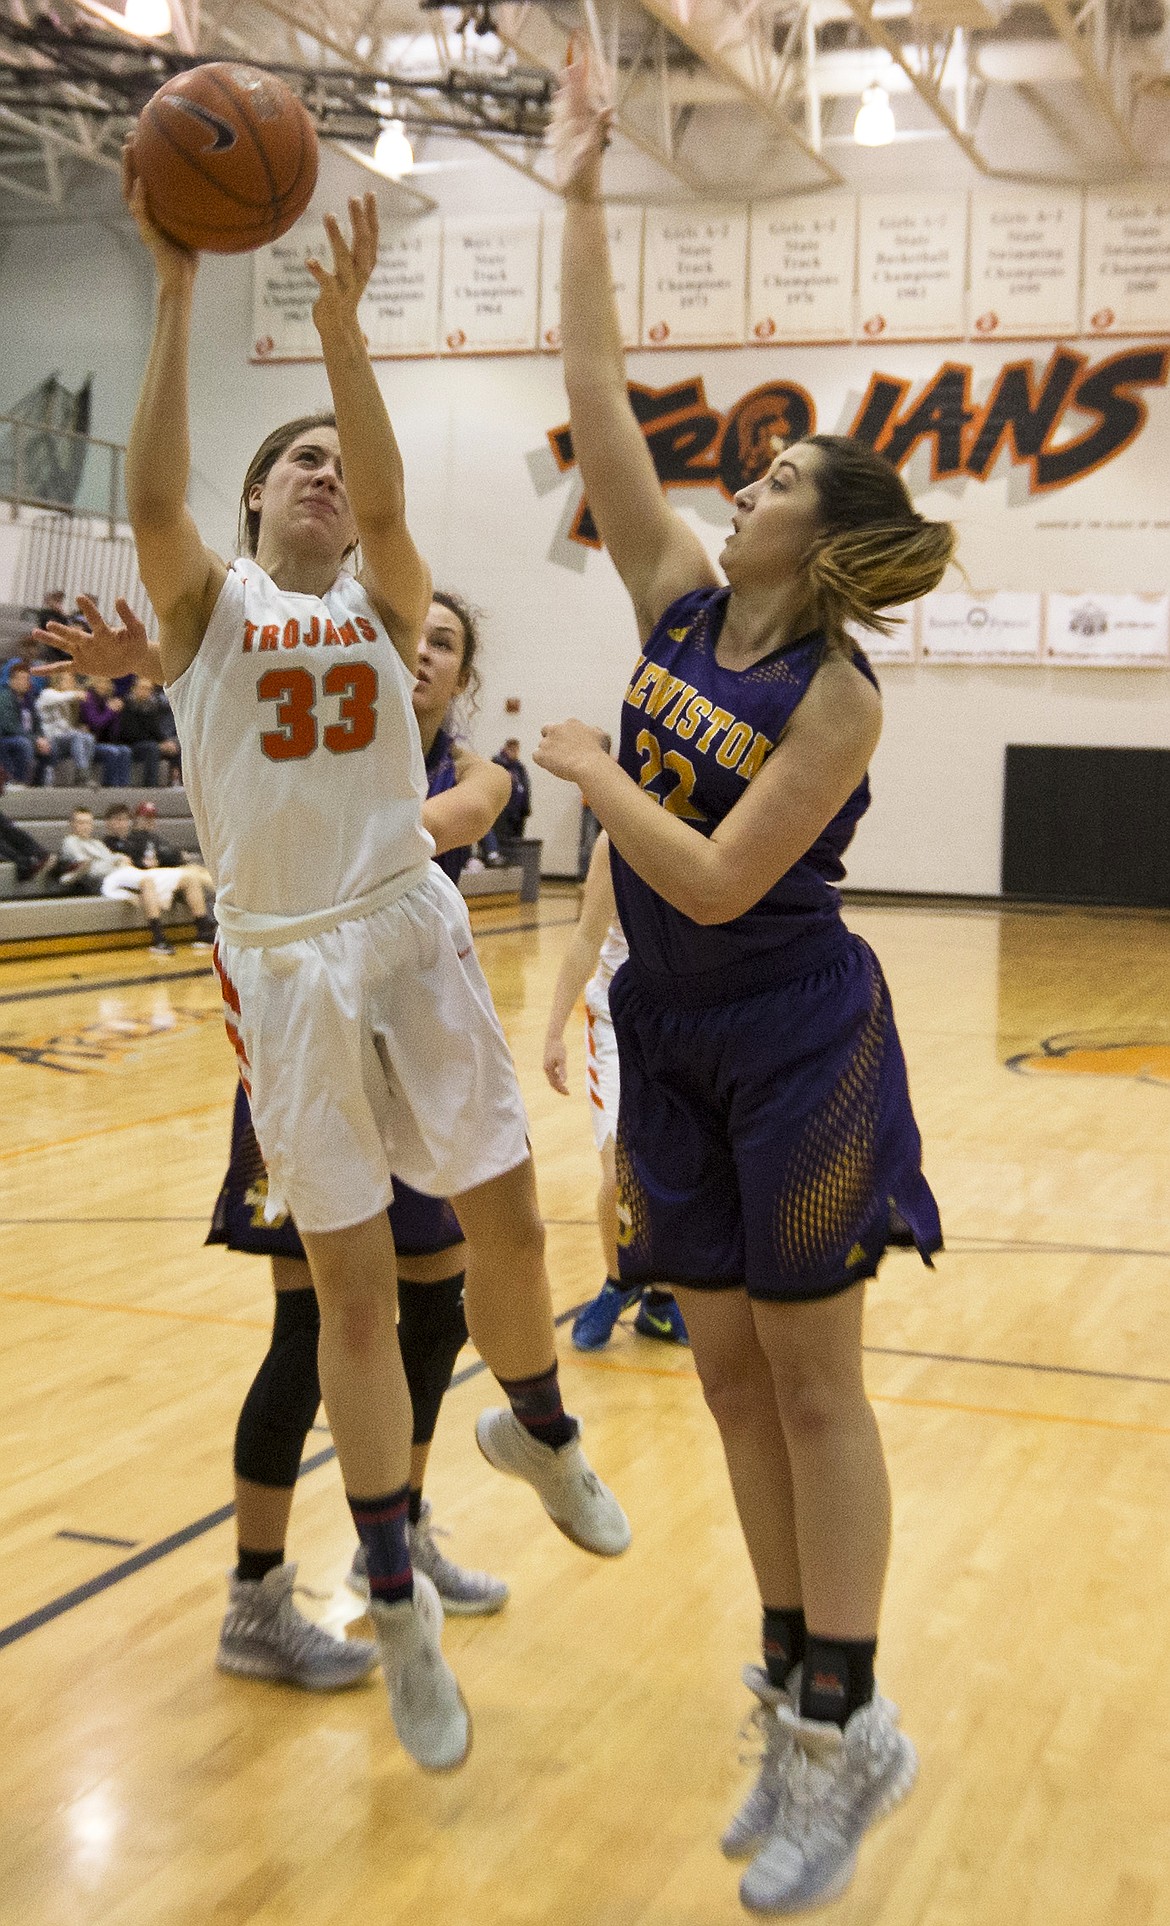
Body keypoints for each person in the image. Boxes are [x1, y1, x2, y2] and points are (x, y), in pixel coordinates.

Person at [104, 165, 628, 1774]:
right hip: (286, 964)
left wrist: (342, 341)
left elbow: (394, 506)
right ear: (255, 505)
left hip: (402, 926)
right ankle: (388, 1586)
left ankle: (538, 1427)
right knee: (339, 1290)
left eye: (337, 463)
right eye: (298, 467)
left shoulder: (393, 609)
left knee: (503, 1216)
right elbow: (150, 505)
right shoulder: (206, 611)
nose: (326, 476)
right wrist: (185, 286)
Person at [535, 53, 955, 1914]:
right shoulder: (682, 590)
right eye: (761, 463)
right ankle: (790, 1687)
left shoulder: (844, 695)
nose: (748, 476)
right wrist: (578, 196)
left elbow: (706, 868)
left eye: (784, 473)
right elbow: (599, 410)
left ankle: (850, 1729)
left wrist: (593, 768)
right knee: (715, 1374)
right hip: (670, 1031)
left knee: (811, 1381)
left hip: (798, 1039)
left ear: (830, 532)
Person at [543, 829, 687, 1349]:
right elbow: (585, 939)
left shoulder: (717, 826)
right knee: (619, 1166)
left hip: (685, 1018)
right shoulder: (615, 842)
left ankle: (662, 1300)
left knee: (676, 1166)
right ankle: (618, 1278)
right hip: (617, 1018)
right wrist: (555, 1029)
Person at [100, 802, 216, 955]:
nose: (122, 824)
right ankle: (159, 938)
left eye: (124, 819)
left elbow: (171, 856)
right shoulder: (107, 843)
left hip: (150, 874)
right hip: (132, 878)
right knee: (190, 874)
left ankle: (204, 932)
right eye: (118, 820)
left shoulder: (142, 838)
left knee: (192, 876)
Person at [36, 665, 97, 784]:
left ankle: (83, 774)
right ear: (58, 681)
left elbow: (66, 726)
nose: (72, 684)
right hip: (50, 739)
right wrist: (76, 694)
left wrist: (78, 728)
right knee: (77, 736)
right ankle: (82, 772)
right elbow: (60, 697)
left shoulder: (67, 702)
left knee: (88, 737)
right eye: (69, 681)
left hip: (64, 740)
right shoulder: (47, 693)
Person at [56, 805, 136, 894]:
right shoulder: (71, 842)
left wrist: (119, 859)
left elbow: (110, 858)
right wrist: (118, 859)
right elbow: (87, 866)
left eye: (88, 823)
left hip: (110, 876)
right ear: (72, 824)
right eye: (81, 823)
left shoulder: (97, 843)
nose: (85, 826)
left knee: (148, 879)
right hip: (90, 882)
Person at [0, 663, 52, 786]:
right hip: (7, 738)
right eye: (22, 679)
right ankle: (18, 782)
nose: (26, 682)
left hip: (27, 737)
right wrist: (35, 740)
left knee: (51, 747)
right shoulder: (4, 698)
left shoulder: (29, 699)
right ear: (12, 680)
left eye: (28, 679)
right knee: (24, 744)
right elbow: (10, 726)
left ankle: (38, 784)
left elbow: (38, 723)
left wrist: (42, 738)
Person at [492, 736, 531, 841]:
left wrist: (526, 808)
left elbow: (525, 787)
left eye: (517, 750)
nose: (515, 753)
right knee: (503, 841)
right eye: (512, 750)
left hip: (518, 812)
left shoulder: (520, 767)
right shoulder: (497, 764)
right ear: (505, 749)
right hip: (504, 812)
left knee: (517, 841)